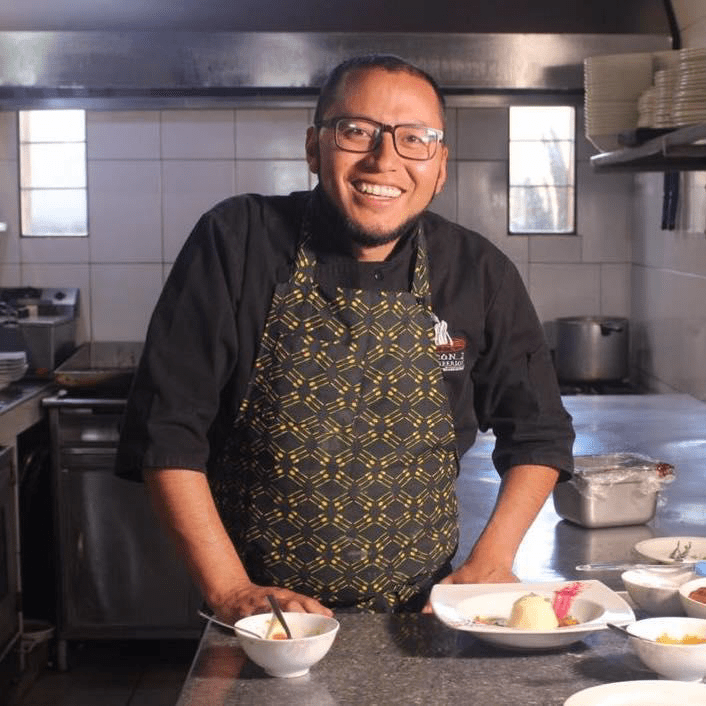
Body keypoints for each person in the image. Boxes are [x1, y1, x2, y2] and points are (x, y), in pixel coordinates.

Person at [115, 53, 575, 624]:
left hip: (424, 617)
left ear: (440, 166)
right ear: (314, 148)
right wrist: (231, 590)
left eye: (415, 139)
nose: (384, 159)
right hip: (262, 622)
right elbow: (166, 431)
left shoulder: (478, 271)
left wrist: (491, 560)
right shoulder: (236, 242)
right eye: (357, 131)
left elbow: (538, 432)